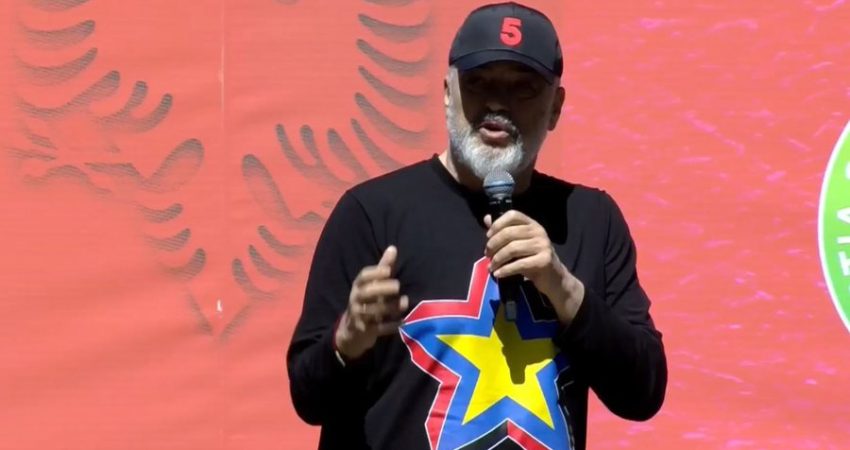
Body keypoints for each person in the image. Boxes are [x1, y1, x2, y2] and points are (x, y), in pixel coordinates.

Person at [286, 2, 667, 449]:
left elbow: (642, 394)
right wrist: (346, 342)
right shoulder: (371, 213)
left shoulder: (590, 219)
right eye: (478, 82)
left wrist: (564, 290)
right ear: (447, 91)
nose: (497, 103)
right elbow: (307, 397)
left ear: (556, 107)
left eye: (523, 88)